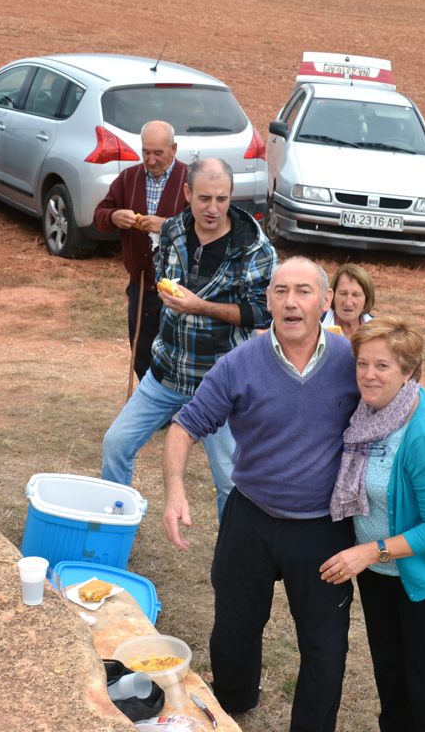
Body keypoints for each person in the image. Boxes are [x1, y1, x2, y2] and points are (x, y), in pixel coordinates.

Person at [163, 257, 361, 732]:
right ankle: (233, 699)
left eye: (304, 291)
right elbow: (185, 426)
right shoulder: (238, 363)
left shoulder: (352, 360)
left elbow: (400, 402)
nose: (292, 302)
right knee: (234, 626)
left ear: (325, 301)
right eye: (281, 291)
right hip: (250, 514)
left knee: (324, 644)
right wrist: (174, 490)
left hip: (322, 527)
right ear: (268, 300)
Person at [102, 158, 275, 519]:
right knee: (115, 444)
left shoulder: (254, 248)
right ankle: (113, 526)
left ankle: (232, 550)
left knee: (229, 479)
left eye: (222, 199)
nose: (213, 208)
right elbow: (163, 277)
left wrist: (201, 307)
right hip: (166, 372)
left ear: (231, 195)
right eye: (204, 198)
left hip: (220, 383)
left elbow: (264, 312)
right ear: (187, 193)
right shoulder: (172, 231)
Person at [322, 316, 425, 732]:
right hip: (379, 574)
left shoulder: (424, 435)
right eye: (362, 363)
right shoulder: (368, 414)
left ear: (408, 372)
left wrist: (369, 552)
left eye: (382, 365)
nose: (368, 375)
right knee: (391, 681)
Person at [93, 121, 189, 379]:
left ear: (174, 149)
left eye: (158, 153)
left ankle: (177, 403)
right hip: (142, 285)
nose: (151, 160)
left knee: (178, 354)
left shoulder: (190, 180)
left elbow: (204, 228)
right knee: (143, 354)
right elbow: (99, 215)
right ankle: (149, 400)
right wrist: (113, 217)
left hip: (181, 289)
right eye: (146, 152)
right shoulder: (129, 178)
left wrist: (167, 225)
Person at [320, 263, 375, 337]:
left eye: (356, 295)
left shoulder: (378, 331)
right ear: (332, 296)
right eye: (343, 294)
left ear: (367, 299)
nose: (348, 303)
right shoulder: (316, 329)